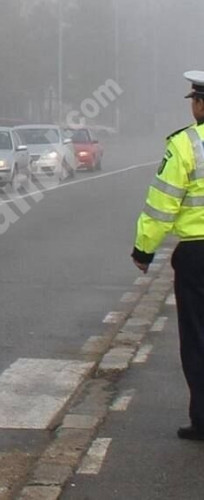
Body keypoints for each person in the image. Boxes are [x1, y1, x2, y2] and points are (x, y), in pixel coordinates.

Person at [132, 70, 204, 440]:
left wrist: (144, 248)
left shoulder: (186, 145)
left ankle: (203, 418)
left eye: (195, 99)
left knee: (197, 338)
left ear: (200, 104)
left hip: (197, 256)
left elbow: (162, 205)